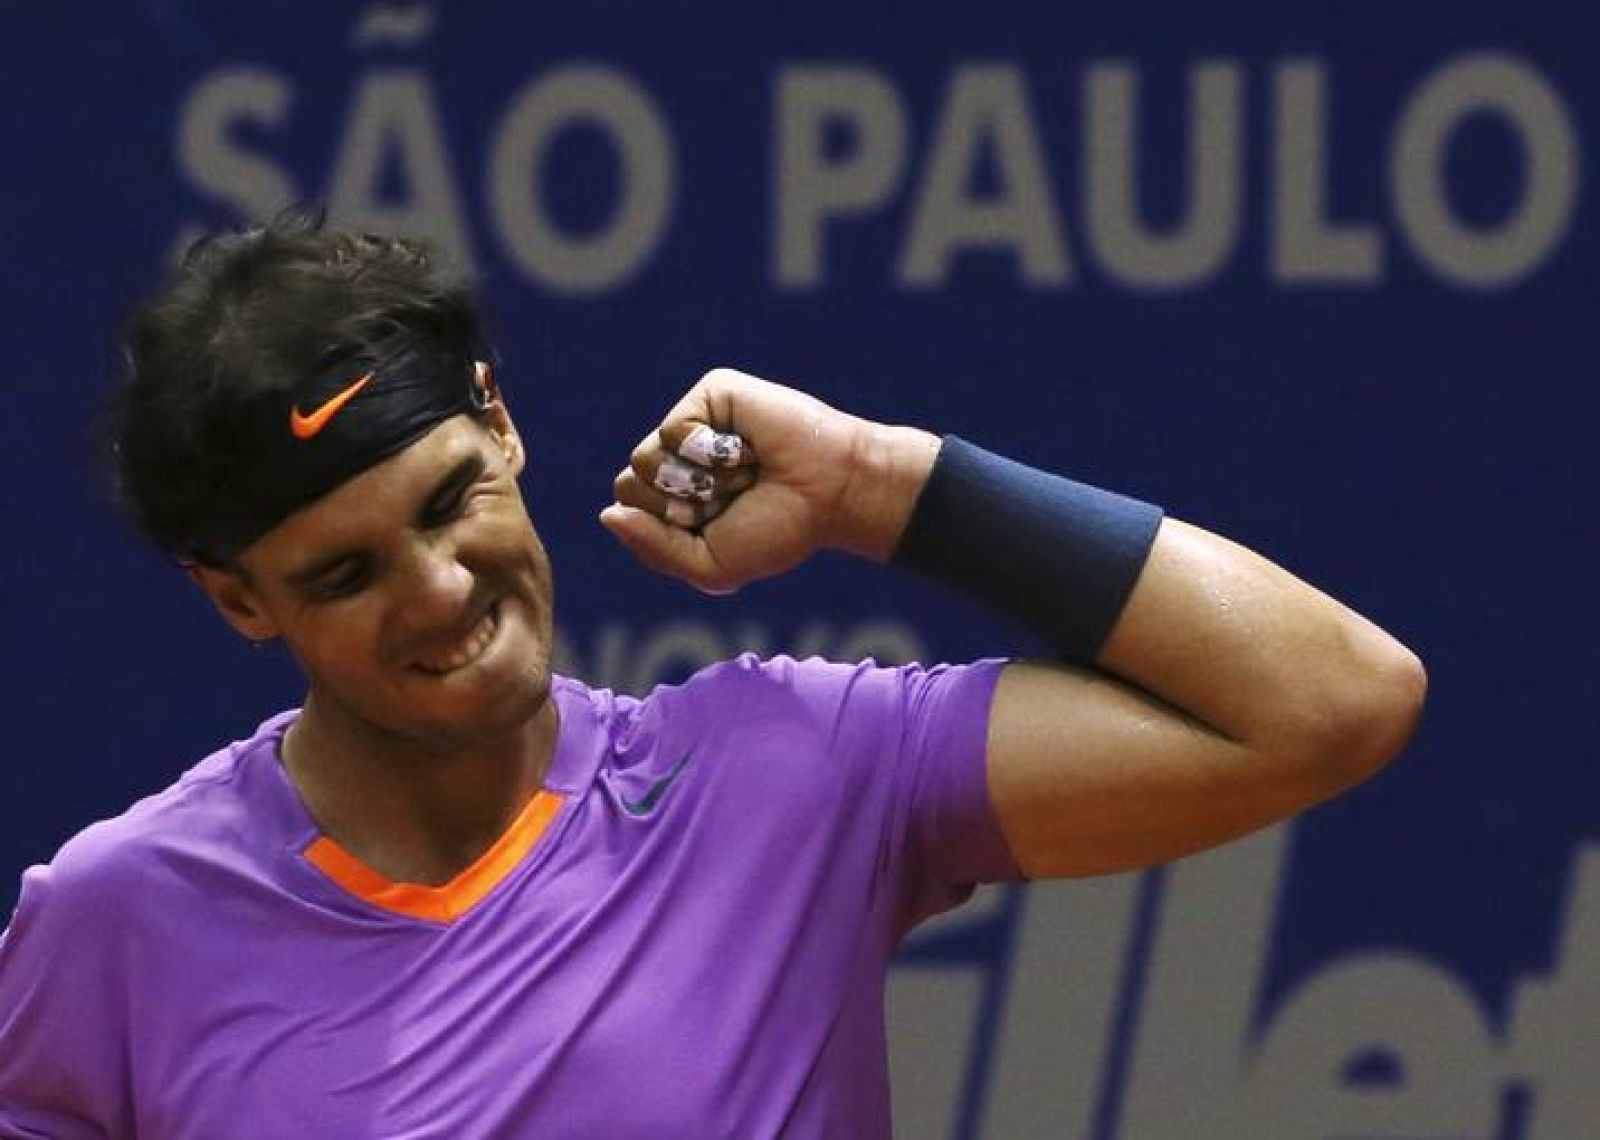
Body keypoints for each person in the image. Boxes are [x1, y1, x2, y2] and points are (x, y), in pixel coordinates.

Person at [0, 216, 1425, 1138]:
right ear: (237, 597)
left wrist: (880, 483)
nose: (439, 594)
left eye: (447, 505)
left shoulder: (787, 774)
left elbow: (1331, 702)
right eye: (343, 574)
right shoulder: (117, 925)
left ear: (500, 424)